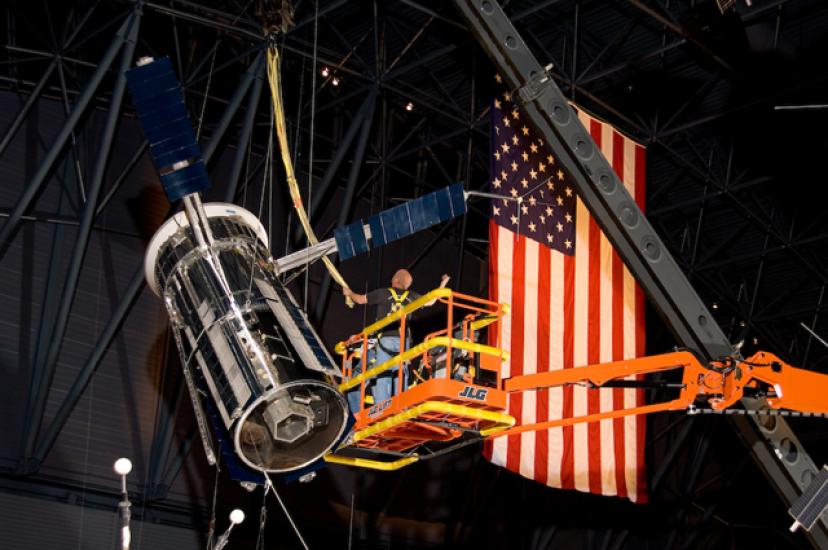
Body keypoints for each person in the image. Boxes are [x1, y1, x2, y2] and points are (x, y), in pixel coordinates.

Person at [343, 269, 450, 411]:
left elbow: (360, 300)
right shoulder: (411, 296)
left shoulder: (383, 293)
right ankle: (401, 405)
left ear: (396, 281)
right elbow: (431, 301)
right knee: (401, 372)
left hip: (385, 339)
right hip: (402, 341)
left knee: (383, 372)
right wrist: (443, 283)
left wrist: (349, 293)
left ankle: (382, 409)